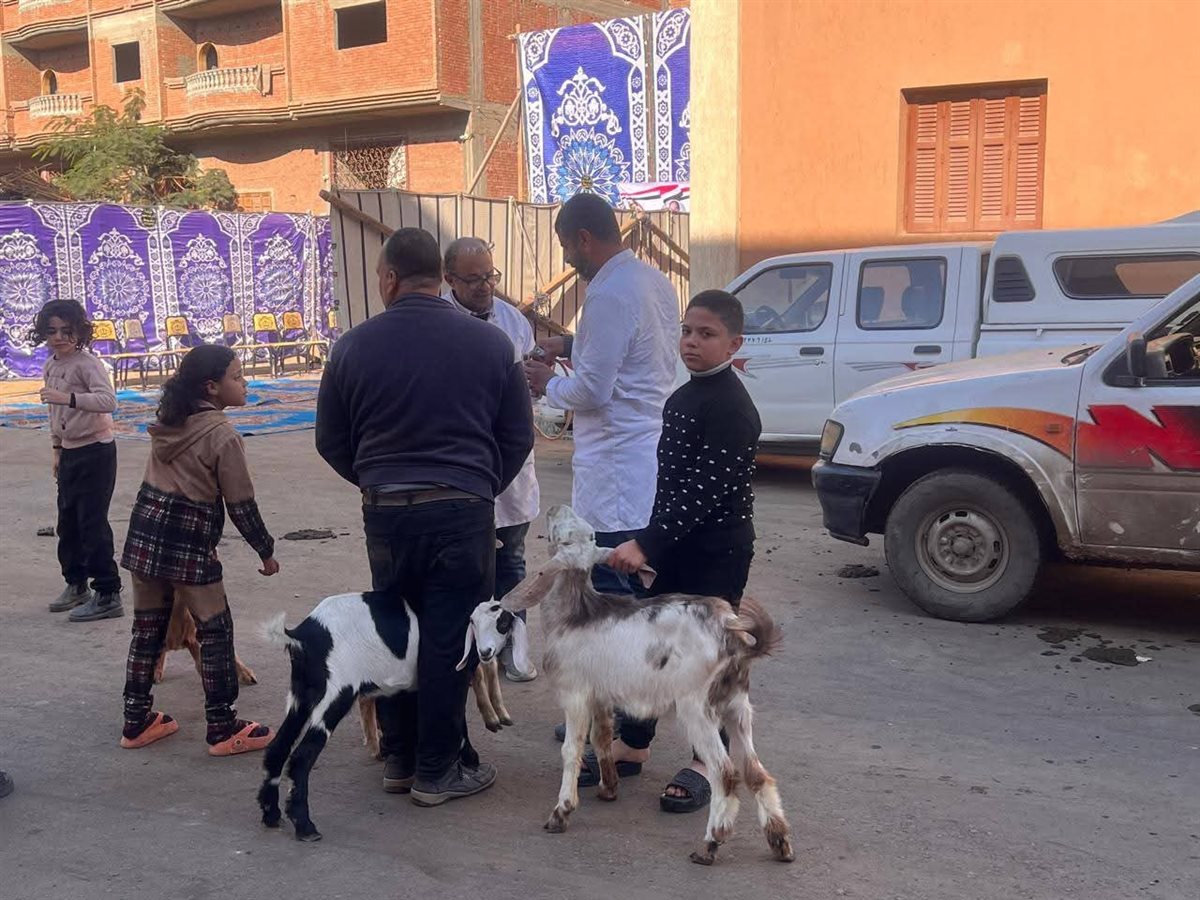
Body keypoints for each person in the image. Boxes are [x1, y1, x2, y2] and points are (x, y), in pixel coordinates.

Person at [316, 227, 534, 807]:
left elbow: (330, 439)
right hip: (463, 512)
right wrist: (478, 488)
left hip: (387, 516)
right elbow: (518, 436)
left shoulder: (351, 347)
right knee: (449, 639)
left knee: (397, 632)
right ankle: (438, 770)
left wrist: (377, 480)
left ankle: (401, 758)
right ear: (440, 277)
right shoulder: (492, 345)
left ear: (388, 278)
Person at [606, 290, 762, 813]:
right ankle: (634, 743)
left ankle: (705, 761)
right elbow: (670, 489)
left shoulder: (733, 409)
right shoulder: (684, 398)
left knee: (705, 660)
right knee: (654, 648)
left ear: (734, 344)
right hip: (674, 547)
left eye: (707, 334)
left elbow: (702, 494)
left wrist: (646, 542)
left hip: (717, 554)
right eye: (687, 331)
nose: (692, 342)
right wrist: (655, 547)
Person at [118, 344, 277, 756]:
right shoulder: (223, 436)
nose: (245, 383)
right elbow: (240, 503)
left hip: (144, 535)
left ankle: (136, 722)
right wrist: (265, 550)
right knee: (215, 631)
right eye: (237, 377)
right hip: (189, 542)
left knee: (147, 629)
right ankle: (223, 729)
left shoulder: (168, 424)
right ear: (212, 387)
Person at [522, 192, 679, 595]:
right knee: (644, 594)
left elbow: (592, 391)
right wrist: (569, 345)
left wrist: (547, 382)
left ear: (584, 238)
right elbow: (634, 351)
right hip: (645, 456)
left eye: (566, 247)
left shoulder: (608, 293)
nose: (568, 259)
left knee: (615, 598)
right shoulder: (654, 281)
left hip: (614, 470)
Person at [442, 237, 540, 682]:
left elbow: (527, 386)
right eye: (473, 279)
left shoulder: (513, 321)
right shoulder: (439, 323)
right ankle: (470, 655)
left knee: (513, 563)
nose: (484, 286)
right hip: (461, 463)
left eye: (490, 276)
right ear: (449, 279)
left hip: (511, 463)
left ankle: (513, 650)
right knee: (465, 566)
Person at [28, 299, 123, 622]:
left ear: (79, 332)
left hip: (96, 451)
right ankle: (76, 583)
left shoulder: (87, 364)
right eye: (52, 331)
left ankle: (108, 592)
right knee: (67, 523)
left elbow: (108, 401)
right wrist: (57, 448)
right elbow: (54, 413)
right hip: (69, 452)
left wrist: (68, 398)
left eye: (66, 331)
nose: (59, 337)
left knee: (91, 523)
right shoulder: (51, 365)